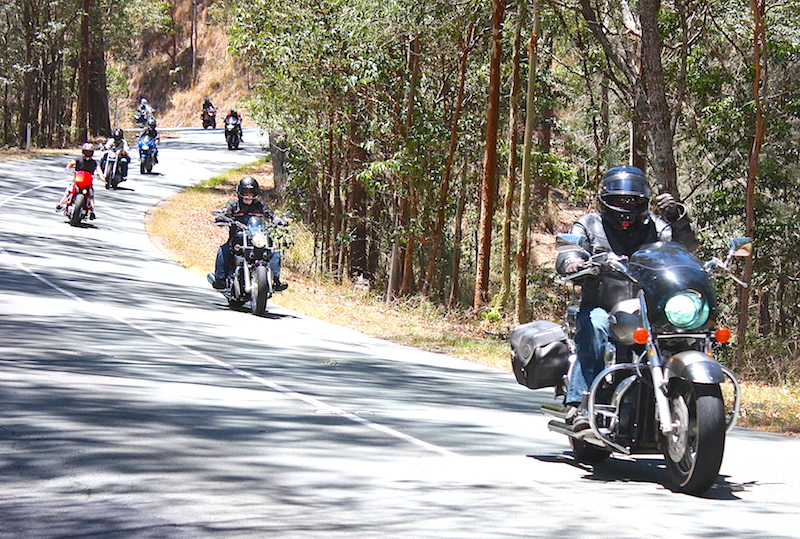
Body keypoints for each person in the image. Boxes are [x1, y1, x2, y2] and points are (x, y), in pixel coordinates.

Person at [555, 165, 697, 428]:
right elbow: (569, 248)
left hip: (648, 309)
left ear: (643, 202)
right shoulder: (588, 224)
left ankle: (688, 400)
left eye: (632, 200)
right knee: (595, 329)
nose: (626, 206)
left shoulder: (658, 227)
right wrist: (572, 261)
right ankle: (581, 405)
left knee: (680, 334)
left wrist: (677, 218)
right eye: (619, 200)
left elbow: (684, 249)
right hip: (602, 305)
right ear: (606, 201)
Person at [208, 176, 288, 291]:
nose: (248, 195)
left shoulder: (260, 206)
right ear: (240, 192)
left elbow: (270, 215)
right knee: (224, 249)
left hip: (257, 238)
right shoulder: (233, 205)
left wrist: (278, 221)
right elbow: (225, 212)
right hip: (238, 238)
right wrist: (222, 217)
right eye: (245, 192)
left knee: (274, 251)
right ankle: (220, 278)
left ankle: (276, 280)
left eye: (251, 192)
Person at [57, 142, 105, 218]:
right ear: (83, 152)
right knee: (69, 191)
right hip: (77, 181)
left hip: (88, 183)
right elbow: (72, 162)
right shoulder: (79, 159)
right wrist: (67, 167)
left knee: (91, 195)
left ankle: (92, 211)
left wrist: (102, 177)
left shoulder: (93, 162)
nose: (88, 154)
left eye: (89, 152)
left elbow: (98, 169)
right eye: (86, 152)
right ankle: (60, 204)